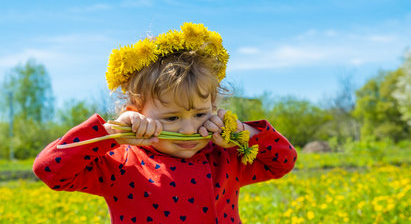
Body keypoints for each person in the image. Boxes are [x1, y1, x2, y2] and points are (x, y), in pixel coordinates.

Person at [33, 23, 298, 224]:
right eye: (171, 118)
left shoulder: (225, 157)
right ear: (135, 113)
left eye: (200, 114)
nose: (189, 129)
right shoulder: (120, 162)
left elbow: (283, 161)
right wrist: (112, 134)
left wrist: (245, 133)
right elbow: (50, 170)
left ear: (215, 110)